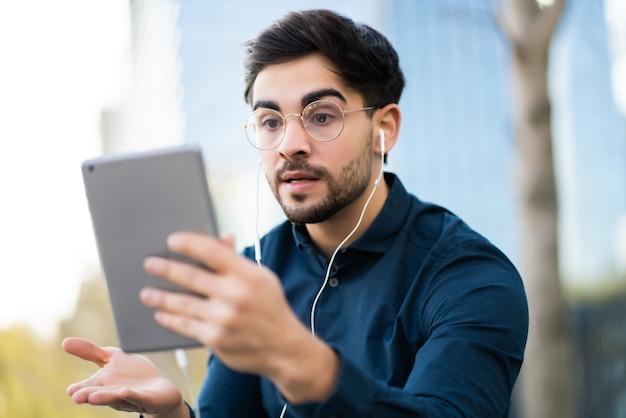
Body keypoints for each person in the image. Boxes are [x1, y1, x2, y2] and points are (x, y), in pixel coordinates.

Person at [63, 9, 528, 418]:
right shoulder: (252, 270)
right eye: (270, 122)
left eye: (321, 116)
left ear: (383, 129)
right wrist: (171, 415)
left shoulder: (469, 277)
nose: (289, 144)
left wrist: (300, 360)